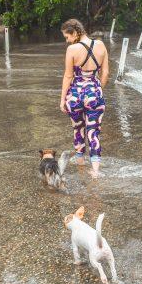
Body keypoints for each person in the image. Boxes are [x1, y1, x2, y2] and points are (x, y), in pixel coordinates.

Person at [59, 19, 109, 177]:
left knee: (78, 130)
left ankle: (80, 165)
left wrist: (62, 100)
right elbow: (106, 73)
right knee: (93, 133)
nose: (67, 41)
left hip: (75, 96)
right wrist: (97, 90)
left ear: (74, 33)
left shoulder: (72, 49)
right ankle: (95, 171)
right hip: (94, 93)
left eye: (67, 37)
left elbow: (68, 76)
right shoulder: (100, 45)